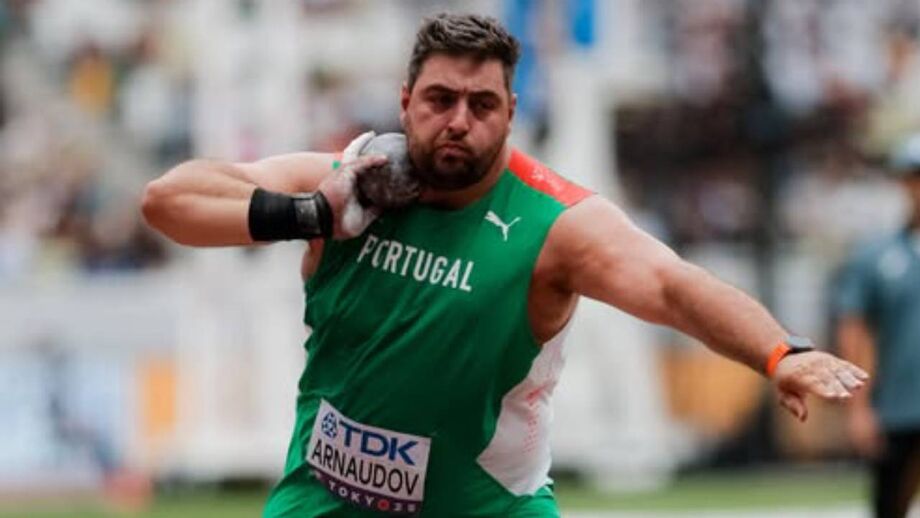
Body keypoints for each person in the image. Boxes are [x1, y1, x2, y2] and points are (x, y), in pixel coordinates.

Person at [142, 13, 868, 518]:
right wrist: (310, 216)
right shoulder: (352, 183)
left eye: (482, 104)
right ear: (406, 103)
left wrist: (779, 352)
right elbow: (167, 201)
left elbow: (673, 287)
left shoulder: (557, 226)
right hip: (325, 501)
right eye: (440, 100)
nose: (459, 120)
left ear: (512, 112)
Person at [838, 133, 920, 518]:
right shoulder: (876, 257)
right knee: (889, 506)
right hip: (898, 408)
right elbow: (855, 331)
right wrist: (858, 408)